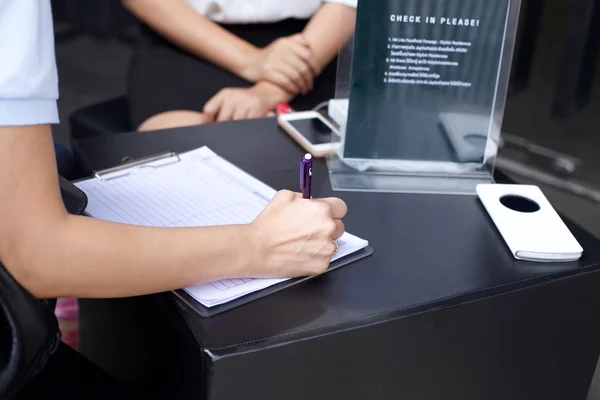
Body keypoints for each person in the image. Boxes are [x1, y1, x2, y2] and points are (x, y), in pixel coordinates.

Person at [0, 0, 347, 318]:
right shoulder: (18, 17)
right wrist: (257, 247)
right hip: (188, 43)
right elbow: (36, 253)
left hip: (312, 50)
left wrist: (274, 84)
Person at [122, 0, 357, 131]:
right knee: (184, 152)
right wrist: (251, 60)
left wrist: (272, 88)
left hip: (316, 44)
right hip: (187, 37)